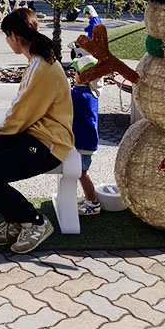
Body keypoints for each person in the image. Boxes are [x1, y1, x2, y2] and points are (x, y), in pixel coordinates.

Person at [0, 8, 74, 254]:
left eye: (6, 36)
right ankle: (15, 219)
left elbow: (21, 112)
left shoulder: (42, 67)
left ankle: (35, 222)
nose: (7, 41)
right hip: (31, 137)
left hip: (48, 145)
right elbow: (23, 114)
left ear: (13, 36)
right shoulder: (38, 61)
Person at [71, 54, 102, 216]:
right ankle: (89, 198)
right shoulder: (89, 92)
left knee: (81, 173)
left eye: (75, 71)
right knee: (79, 172)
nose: (73, 73)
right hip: (86, 142)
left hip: (83, 143)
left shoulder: (81, 96)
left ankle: (93, 202)